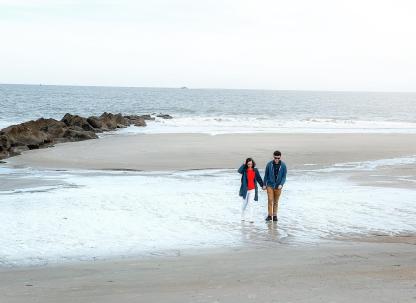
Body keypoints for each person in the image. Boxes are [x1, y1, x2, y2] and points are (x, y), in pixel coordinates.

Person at [263, 151, 287, 222]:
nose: (276, 159)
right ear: (273, 157)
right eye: (275, 158)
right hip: (270, 185)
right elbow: (266, 175)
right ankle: (269, 216)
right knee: (270, 200)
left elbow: (284, 177)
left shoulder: (283, 165)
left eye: (278, 158)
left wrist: (281, 184)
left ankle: (275, 215)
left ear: (280, 157)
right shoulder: (269, 164)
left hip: (278, 186)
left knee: (276, 201)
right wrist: (264, 184)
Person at [238, 158, 264, 223]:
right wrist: (243, 164)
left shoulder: (255, 170)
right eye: (248, 164)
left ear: (253, 164)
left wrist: (262, 185)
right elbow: (239, 171)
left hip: (252, 189)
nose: (250, 165)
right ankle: (242, 215)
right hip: (245, 190)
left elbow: (259, 178)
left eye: (251, 164)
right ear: (247, 164)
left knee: (251, 203)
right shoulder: (244, 170)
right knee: (244, 204)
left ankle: (251, 219)